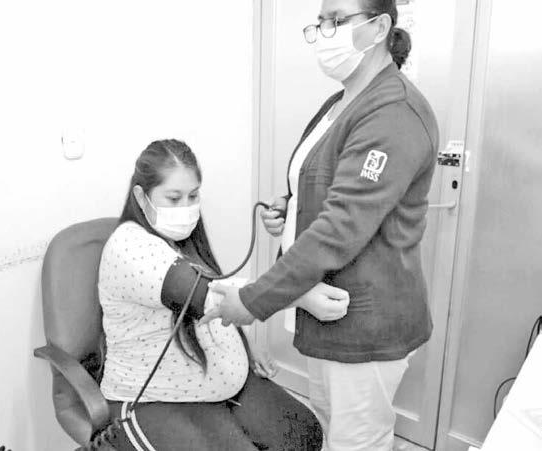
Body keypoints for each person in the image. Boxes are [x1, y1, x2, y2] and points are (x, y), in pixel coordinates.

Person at [201, 1, 439, 450]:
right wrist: (289, 207)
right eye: (322, 22)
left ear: (379, 27)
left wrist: (251, 302)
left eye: (337, 20)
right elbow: (324, 180)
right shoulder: (341, 102)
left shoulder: (394, 113)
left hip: (366, 321)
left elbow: (340, 227)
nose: (325, 32)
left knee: (358, 440)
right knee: (331, 427)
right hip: (326, 311)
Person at [98, 139, 336, 450]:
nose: (186, 208)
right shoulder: (129, 247)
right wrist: (299, 294)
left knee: (304, 435)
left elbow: (220, 300)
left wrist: (244, 347)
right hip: (155, 396)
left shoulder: (182, 239)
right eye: (174, 198)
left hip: (214, 383)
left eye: (193, 196)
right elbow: (206, 296)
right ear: (141, 197)